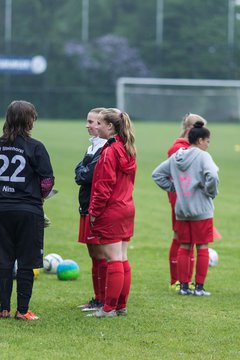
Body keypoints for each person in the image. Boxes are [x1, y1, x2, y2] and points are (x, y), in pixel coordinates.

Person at [0, 100, 54, 320]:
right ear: (30, 121)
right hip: (27, 210)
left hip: (1, 208)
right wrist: (36, 198)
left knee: (2, 260)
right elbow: (47, 182)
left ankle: (3, 308)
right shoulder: (36, 147)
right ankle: (22, 311)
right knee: (26, 262)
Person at [152, 121, 219, 296]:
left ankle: (183, 287)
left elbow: (157, 175)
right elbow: (212, 175)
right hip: (201, 210)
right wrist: (210, 191)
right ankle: (199, 288)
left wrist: (176, 189)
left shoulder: (177, 157)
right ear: (200, 140)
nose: (208, 144)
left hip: (182, 209)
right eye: (207, 141)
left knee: (184, 246)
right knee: (202, 247)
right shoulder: (204, 156)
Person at [87, 108, 137, 317]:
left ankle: (108, 308)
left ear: (110, 126)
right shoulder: (128, 148)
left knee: (114, 259)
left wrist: (94, 211)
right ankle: (120, 306)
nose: (95, 127)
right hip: (127, 207)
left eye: (99, 124)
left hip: (112, 209)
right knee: (123, 257)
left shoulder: (110, 151)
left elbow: (104, 186)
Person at [167, 113, 207, 291]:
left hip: (188, 199)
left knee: (188, 239)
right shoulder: (178, 149)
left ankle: (185, 280)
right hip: (182, 200)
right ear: (190, 130)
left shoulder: (189, 148)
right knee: (180, 238)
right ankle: (176, 280)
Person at [75, 108, 107, 311]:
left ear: (103, 125)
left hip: (96, 208)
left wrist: (81, 171)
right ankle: (97, 298)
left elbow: (86, 176)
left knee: (101, 254)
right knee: (93, 254)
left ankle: (103, 299)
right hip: (85, 205)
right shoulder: (92, 147)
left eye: (91, 121)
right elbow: (79, 171)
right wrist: (81, 170)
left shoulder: (104, 148)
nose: (88, 125)